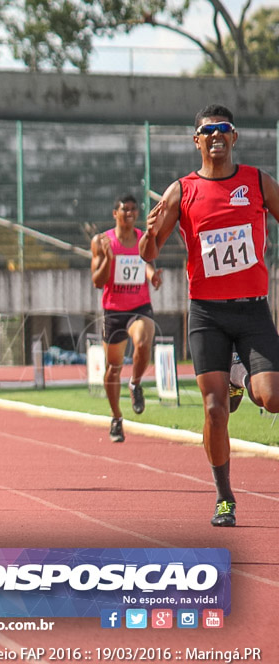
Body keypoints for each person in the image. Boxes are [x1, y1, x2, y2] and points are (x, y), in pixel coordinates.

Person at [140, 103, 279, 527]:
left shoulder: (257, 181)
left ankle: (242, 377)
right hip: (206, 316)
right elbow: (149, 251)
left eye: (224, 129)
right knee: (215, 411)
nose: (216, 135)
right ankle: (224, 498)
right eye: (208, 130)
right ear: (196, 140)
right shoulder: (181, 191)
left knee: (272, 399)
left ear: (234, 137)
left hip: (253, 311)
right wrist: (149, 235)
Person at [90, 193, 163, 443]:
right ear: (115, 214)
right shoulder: (102, 241)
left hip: (139, 307)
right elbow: (97, 281)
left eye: (133, 209)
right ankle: (117, 417)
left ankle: (135, 383)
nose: (130, 213)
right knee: (113, 369)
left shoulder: (143, 238)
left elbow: (146, 263)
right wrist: (110, 260)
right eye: (125, 209)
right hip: (113, 311)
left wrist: (152, 275)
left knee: (143, 341)